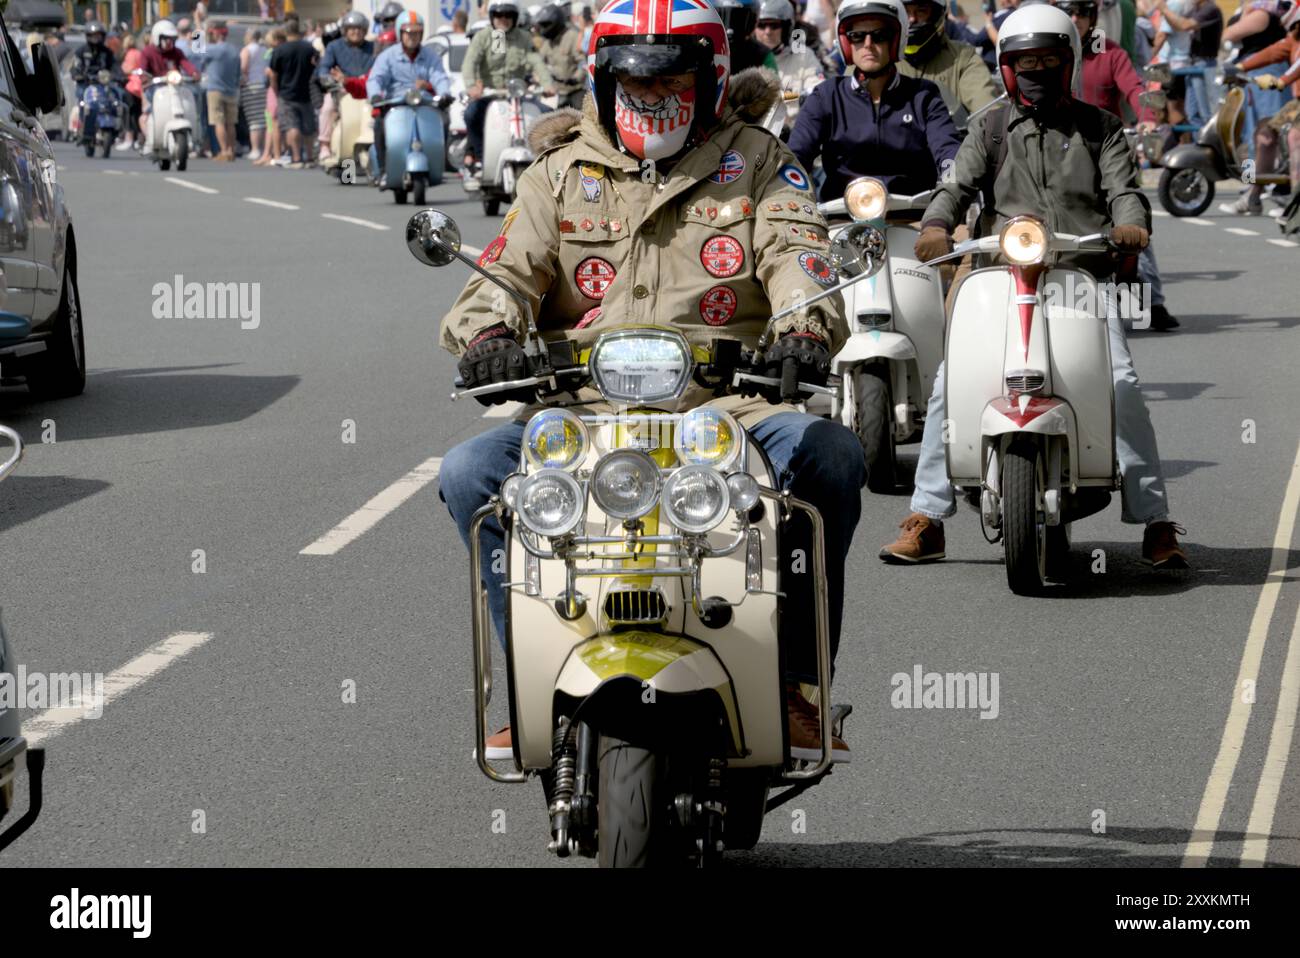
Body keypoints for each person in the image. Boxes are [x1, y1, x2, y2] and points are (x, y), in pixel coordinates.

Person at [438, 0, 863, 763]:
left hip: (733, 404)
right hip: (581, 407)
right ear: (604, 81)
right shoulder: (558, 172)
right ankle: (526, 683)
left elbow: (801, 251)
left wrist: (804, 327)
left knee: (827, 456)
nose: (652, 96)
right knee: (471, 472)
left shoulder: (757, 162)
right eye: (635, 83)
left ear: (709, 79)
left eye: (671, 81)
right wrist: (491, 333)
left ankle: (798, 686)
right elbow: (501, 270)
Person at [880, 2, 1188, 569]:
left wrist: (1131, 223)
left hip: (1077, 279)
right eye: (1024, 61)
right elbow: (956, 186)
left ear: (1068, 62)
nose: (1036, 70)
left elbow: (1125, 190)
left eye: (1047, 60)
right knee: (952, 381)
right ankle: (927, 517)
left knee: (1120, 382)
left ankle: (1156, 520)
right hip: (998, 279)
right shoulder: (989, 126)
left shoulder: (1101, 129)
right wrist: (934, 223)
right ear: (1006, 68)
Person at [1057, 0, 1178, 331]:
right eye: (1069, 12)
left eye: (1082, 12)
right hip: (1060, 155)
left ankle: (1151, 302)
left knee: (1133, 217)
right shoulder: (1051, 54)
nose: (1076, 19)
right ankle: (1058, 298)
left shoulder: (1111, 53)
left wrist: (1148, 119)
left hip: (1109, 152)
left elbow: (1136, 91)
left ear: (1092, 17)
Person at [789, 0, 961, 199]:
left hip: (915, 217)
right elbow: (796, 156)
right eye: (857, 36)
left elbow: (949, 154)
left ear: (896, 40)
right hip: (839, 218)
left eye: (880, 36)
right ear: (846, 42)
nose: (868, 45)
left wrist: (948, 196)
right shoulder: (825, 96)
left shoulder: (924, 96)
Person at [461, 1, 554, 180]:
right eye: (498, 15)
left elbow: (536, 61)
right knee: (471, 115)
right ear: (492, 17)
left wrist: (547, 83)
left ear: (514, 17)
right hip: (490, 94)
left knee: (548, 114)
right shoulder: (483, 37)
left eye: (508, 15)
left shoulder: (524, 37)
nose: (503, 19)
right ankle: (481, 159)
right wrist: (472, 85)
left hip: (517, 95)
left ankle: (545, 164)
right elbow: (470, 62)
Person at [1221, 1, 1296, 212]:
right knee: (1250, 139)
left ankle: (1275, 191)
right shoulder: (1254, 8)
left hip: (1266, 74)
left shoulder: (1264, 12)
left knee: (1268, 136)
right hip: (1249, 74)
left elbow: (1229, 34)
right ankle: (1251, 191)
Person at [366, 10, 453, 187]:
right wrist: (375, 94)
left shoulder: (430, 56)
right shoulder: (388, 56)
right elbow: (376, 78)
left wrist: (444, 94)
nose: (412, 36)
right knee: (379, 125)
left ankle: (437, 163)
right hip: (395, 103)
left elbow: (440, 77)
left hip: (424, 102)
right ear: (400, 33)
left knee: (443, 120)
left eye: (416, 32)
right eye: (408, 32)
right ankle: (383, 170)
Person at [897, 0, 999, 120]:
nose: (912, 19)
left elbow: (987, 110)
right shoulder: (880, 58)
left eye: (921, 11)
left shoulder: (963, 57)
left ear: (936, 15)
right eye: (905, 12)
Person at [318, 10, 376, 163]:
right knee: (327, 108)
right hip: (341, 90)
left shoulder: (373, 47)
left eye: (360, 28)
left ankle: (378, 151)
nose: (356, 31)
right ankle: (324, 145)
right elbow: (324, 67)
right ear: (345, 30)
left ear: (365, 30)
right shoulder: (334, 46)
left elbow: (381, 68)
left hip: (366, 92)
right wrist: (328, 78)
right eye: (352, 28)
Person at [755, 0, 826, 123]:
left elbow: (818, 90)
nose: (767, 32)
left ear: (787, 28)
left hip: (794, 130)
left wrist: (786, 97)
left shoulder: (803, 55)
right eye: (761, 25)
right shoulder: (744, 57)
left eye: (774, 25)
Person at [269, 21, 320, 168]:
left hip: (286, 93)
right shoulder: (309, 48)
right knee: (308, 127)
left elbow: (273, 74)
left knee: (292, 126)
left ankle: (297, 158)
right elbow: (317, 67)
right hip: (306, 92)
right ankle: (310, 157)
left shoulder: (280, 50)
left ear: (286, 31)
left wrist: (276, 90)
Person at [200, 21, 241, 161]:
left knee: (219, 121)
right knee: (231, 123)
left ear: (215, 33)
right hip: (231, 90)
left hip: (215, 89)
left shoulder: (214, 49)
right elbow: (238, 72)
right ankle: (231, 150)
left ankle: (223, 151)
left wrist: (199, 31)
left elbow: (196, 49)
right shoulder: (234, 50)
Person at [533, 3, 586, 110]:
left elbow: (583, 62)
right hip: (555, 93)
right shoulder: (547, 42)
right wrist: (537, 77)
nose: (544, 28)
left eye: (546, 24)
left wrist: (576, 78)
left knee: (582, 119)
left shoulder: (572, 36)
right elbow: (538, 61)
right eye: (542, 25)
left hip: (575, 91)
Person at [714, 0, 781, 72]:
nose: (730, 28)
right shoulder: (705, 47)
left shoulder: (762, 54)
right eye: (726, 17)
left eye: (739, 20)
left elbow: (772, 80)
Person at [241, 29, 269, 162]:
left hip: (251, 86)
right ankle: (263, 148)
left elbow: (244, 68)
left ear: (248, 36)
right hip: (263, 85)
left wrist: (241, 80)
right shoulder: (264, 50)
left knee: (253, 121)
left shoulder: (247, 50)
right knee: (263, 119)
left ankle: (255, 149)